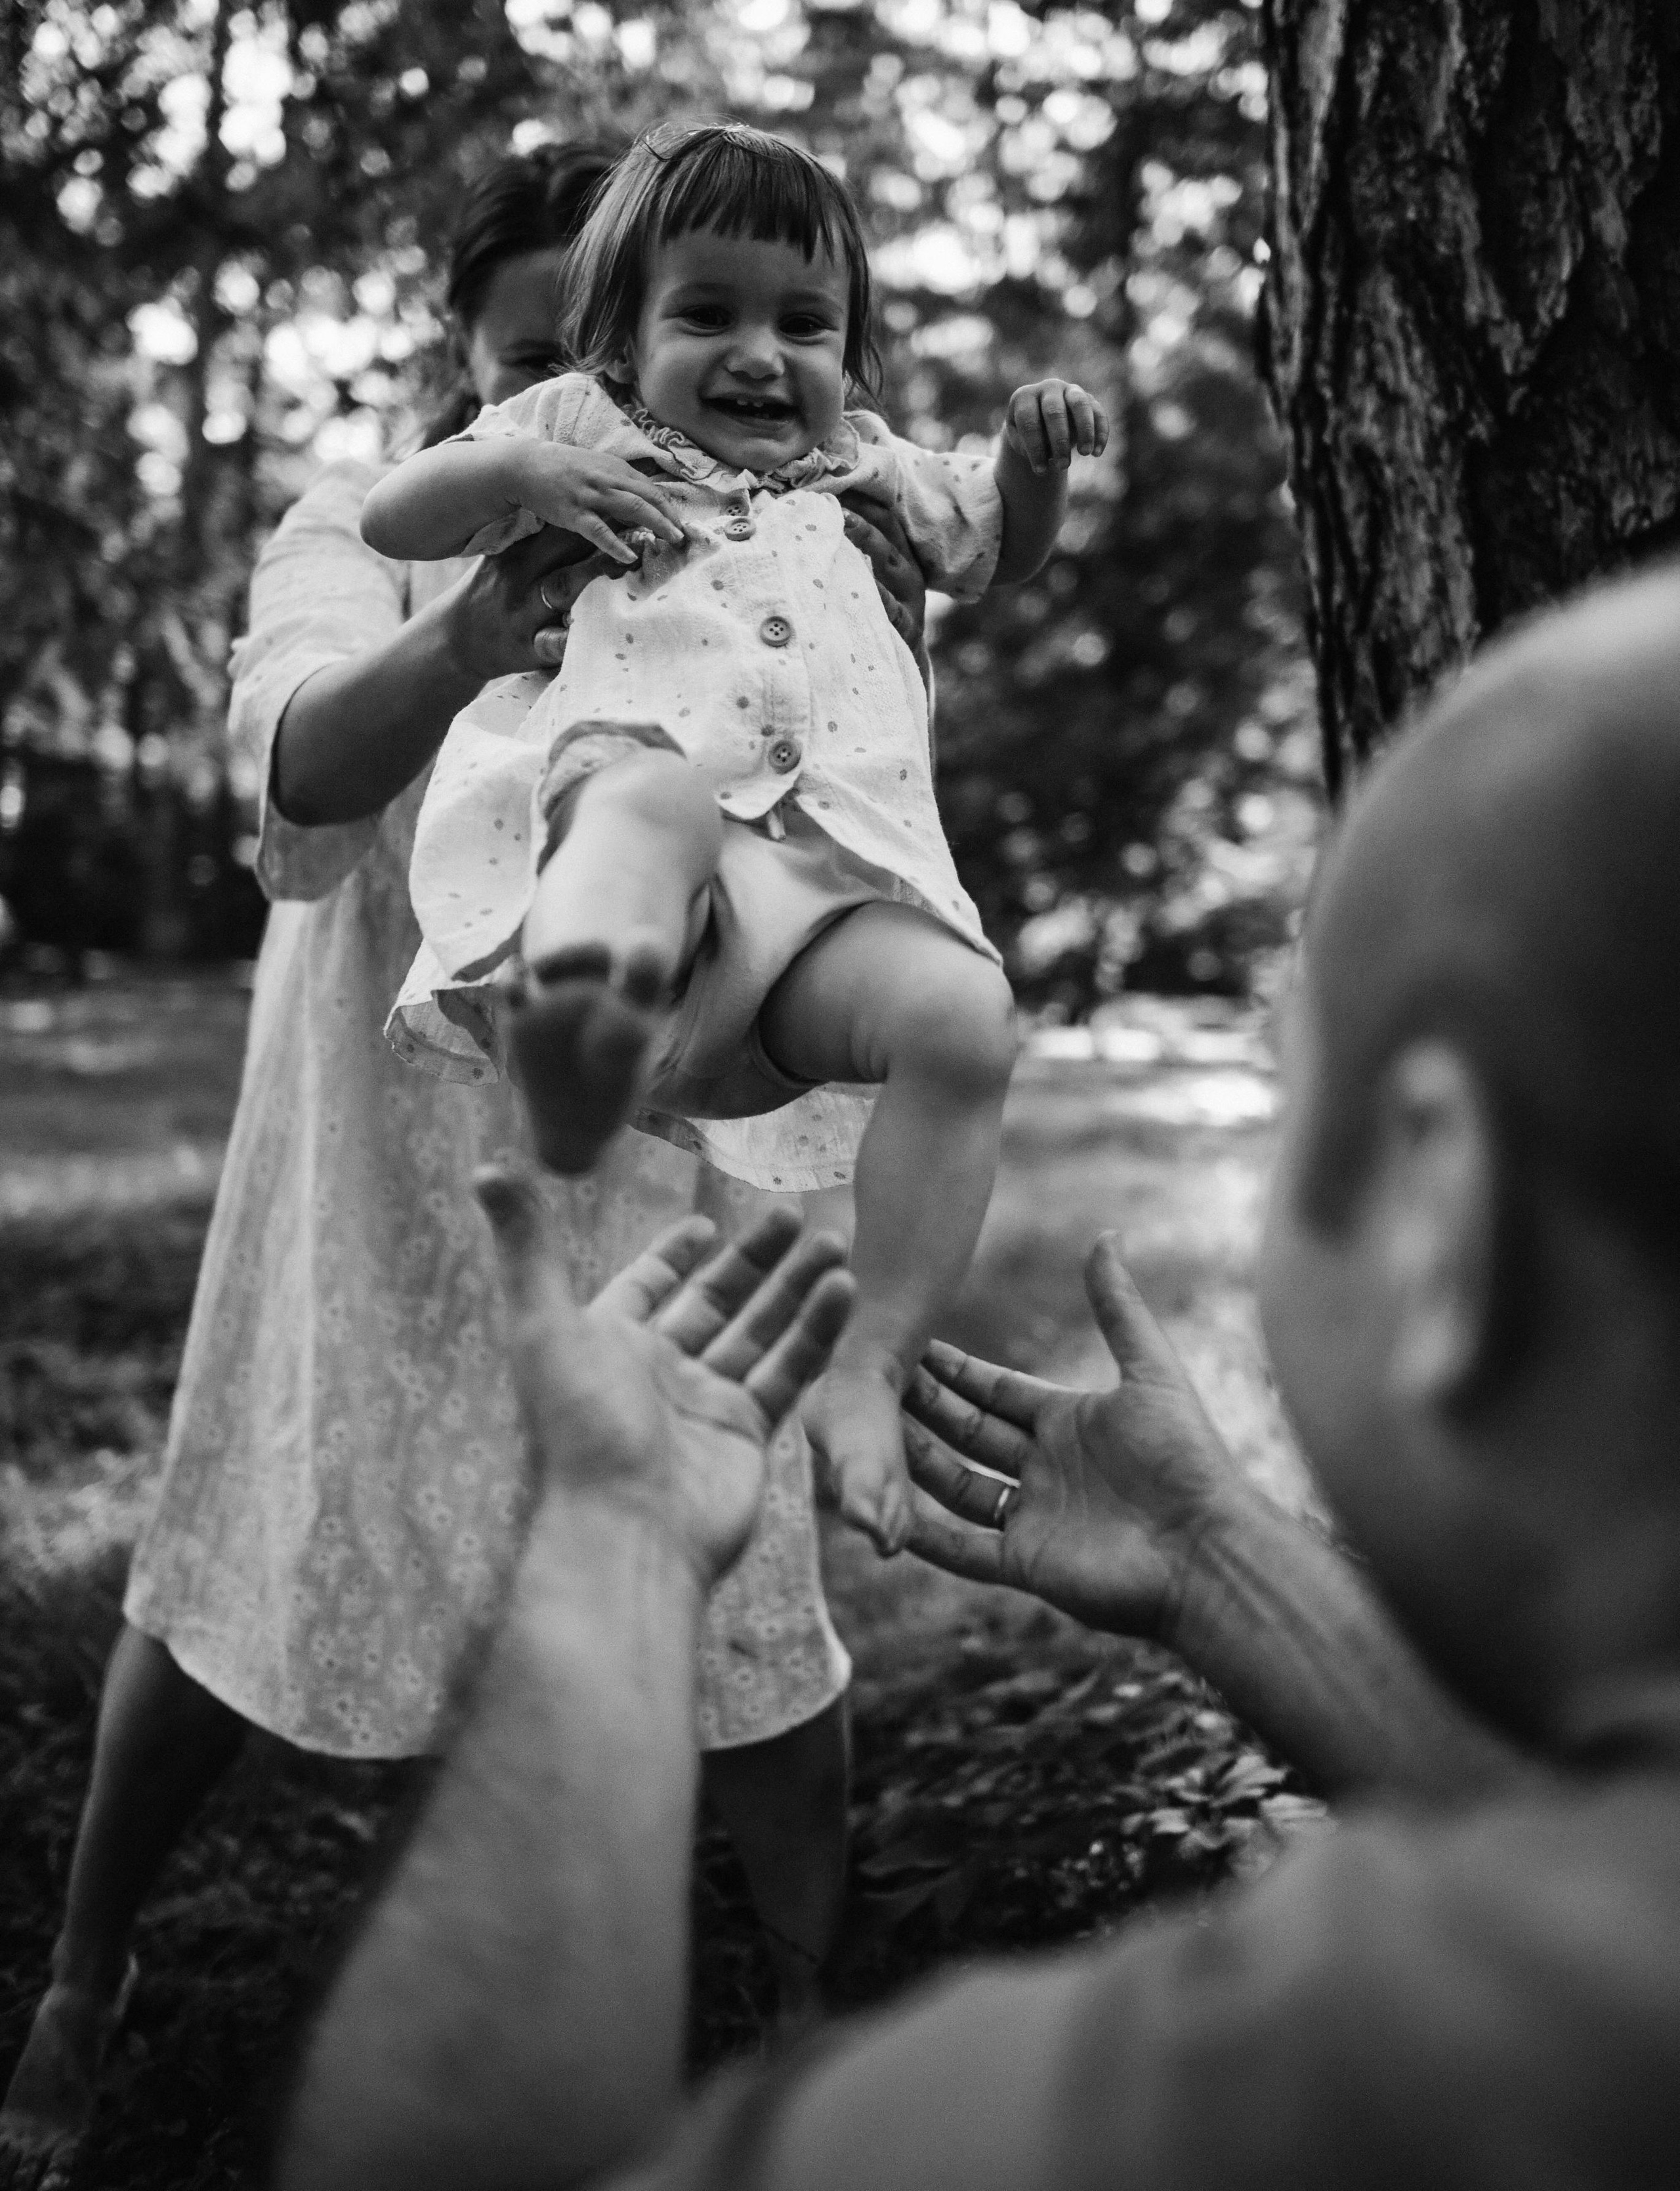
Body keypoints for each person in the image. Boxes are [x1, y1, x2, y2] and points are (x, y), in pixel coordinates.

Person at [282, 565, 1680, 2190]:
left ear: (1447, 1221)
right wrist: (1221, 1562)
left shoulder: (1340, 2075)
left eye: (1291, 1087)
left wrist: (611, 1541)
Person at [0, 142, 933, 2170]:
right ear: (486, 361)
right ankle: (87, 1963)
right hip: (383, 1115)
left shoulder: (747, 483)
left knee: (746, 1573)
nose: (573, 405)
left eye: (585, 360)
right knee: (270, 1533)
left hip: (656, 1106)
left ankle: (799, 1994)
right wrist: (478, 630)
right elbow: (296, 767)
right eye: (530, 367)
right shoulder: (376, 519)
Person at [360, 120, 1108, 1557]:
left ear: (851, 351)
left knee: (965, 1017)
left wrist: (1032, 469)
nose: (761, 355)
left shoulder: (868, 462)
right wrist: (518, 479)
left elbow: (992, 549)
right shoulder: (585, 427)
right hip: (646, 875)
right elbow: (403, 510)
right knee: (650, 794)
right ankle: (582, 1008)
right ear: (622, 345)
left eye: (803, 323)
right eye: (706, 314)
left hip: (818, 907)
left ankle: (867, 1374)